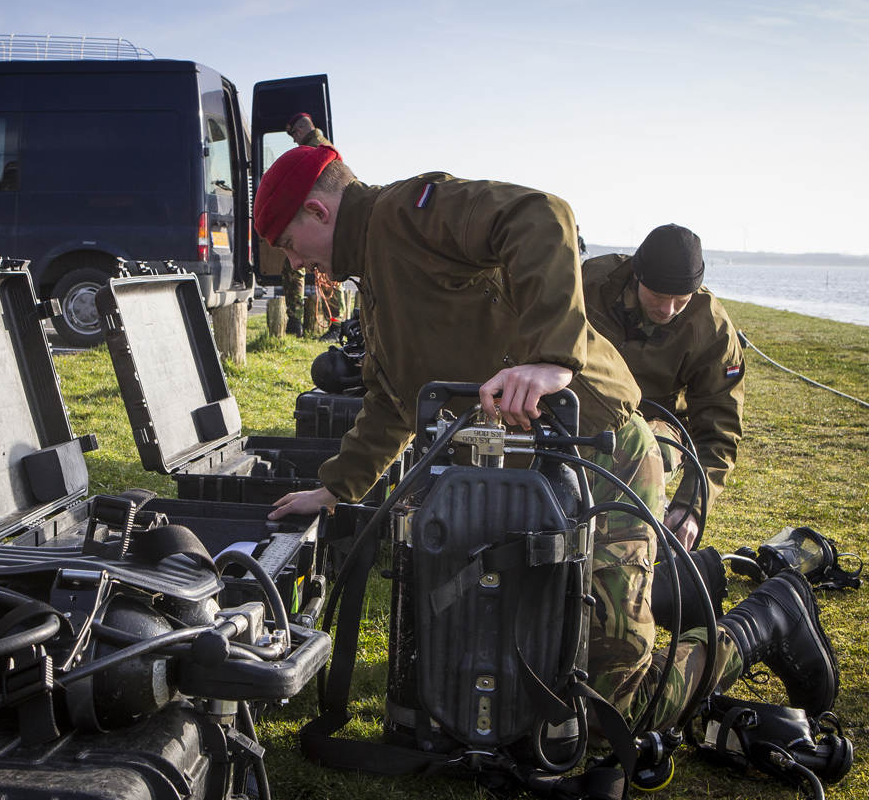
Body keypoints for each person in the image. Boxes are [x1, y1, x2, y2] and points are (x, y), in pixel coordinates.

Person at [258, 144, 838, 731]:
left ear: (318, 211)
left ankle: (767, 619)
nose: (294, 262)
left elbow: (541, 215)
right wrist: (335, 489)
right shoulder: (376, 275)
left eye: (288, 243)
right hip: (531, 479)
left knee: (614, 706)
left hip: (603, 455)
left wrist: (552, 356)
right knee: (534, 671)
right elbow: (392, 402)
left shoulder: (407, 213)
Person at [582, 225, 744, 550]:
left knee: (635, 456)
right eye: (657, 296)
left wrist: (691, 507)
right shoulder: (590, 283)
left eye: (681, 300)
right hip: (580, 409)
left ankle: (629, 558)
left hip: (659, 425)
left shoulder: (713, 330)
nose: (667, 310)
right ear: (637, 275)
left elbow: (719, 433)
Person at [280, 113, 341, 338]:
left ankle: (335, 325)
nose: (295, 141)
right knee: (296, 267)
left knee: (327, 271)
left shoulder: (317, 150)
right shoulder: (319, 147)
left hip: (324, 220)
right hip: (321, 219)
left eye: (294, 135)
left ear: (300, 130)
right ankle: (299, 322)